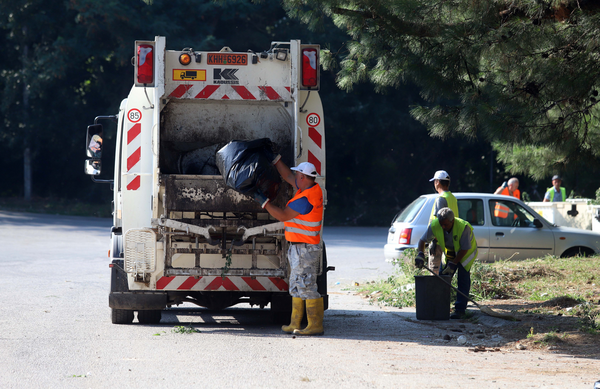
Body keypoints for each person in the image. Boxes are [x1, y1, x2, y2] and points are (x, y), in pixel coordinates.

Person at [253, 158, 325, 336]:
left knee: (307, 286)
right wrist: (276, 160)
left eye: (297, 175)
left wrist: (265, 203)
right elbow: (287, 175)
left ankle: (315, 325)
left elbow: (284, 216)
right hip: (300, 247)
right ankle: (294, 323)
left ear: (303, 177)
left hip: (305, 249)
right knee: (296, 285)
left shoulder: (306, 198)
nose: (295, 177)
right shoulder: (307, 187)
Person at [415, 208, 478, 319]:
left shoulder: (463, 227)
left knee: (462, 280)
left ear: (452, 221)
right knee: (442, 280)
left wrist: (454, 263)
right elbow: (422, 240)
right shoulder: (435, 225)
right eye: (441, 224)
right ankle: (441, 308)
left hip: (466, 255)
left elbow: (464, 249)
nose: (443, 227)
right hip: (450, 254)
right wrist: (420, 254)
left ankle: (460, 310)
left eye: (446, 225)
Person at [427, 170, 458, 275]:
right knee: (445, 274)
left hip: (439, 242)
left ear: (437, 182)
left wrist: (433, 241)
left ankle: (435, 292)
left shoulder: (441, 199)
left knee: (434, 273)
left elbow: (439, 222)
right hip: (450, 241)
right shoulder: (452, 198)